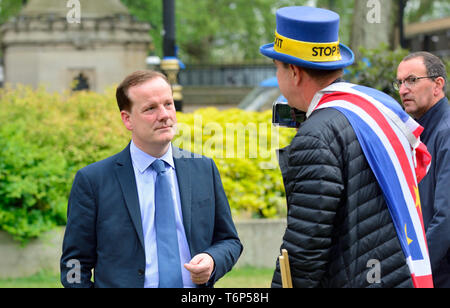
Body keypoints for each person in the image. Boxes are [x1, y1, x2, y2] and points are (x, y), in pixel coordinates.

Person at [260, 6, 433, 288]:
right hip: (399, 272)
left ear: (293, 72)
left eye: (277, 68)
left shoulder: (316, 135)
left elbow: (306, 247)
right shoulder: (379, 105)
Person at [60, 70, 242, 288]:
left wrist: (213, 260)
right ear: (127, 119)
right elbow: (74, 263)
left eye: (168, 104)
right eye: (150, 108)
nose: (164, 115)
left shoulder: (203, 169)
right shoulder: (93, 181)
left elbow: (229, 241)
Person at [396, 52, 450, 287]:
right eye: (399, 82)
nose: (403, 90)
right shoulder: (420, 132)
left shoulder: (445, 132)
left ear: (438, 85)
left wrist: (416, 273)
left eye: (412, 80)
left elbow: (445, 217)